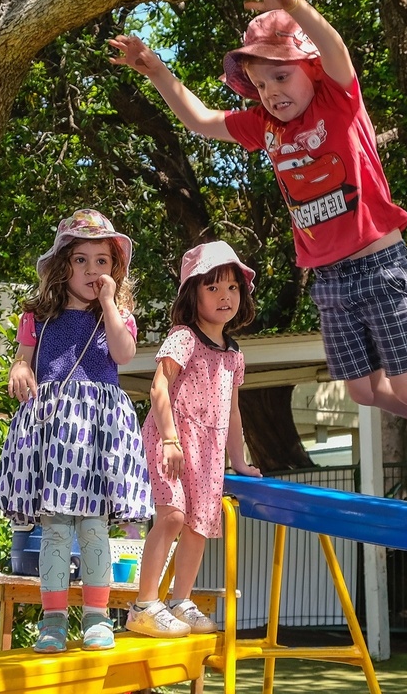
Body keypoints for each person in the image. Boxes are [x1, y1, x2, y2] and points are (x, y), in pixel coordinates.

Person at [108, 0, 407, 510]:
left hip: (378, 263)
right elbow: (200, 119)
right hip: (328, 274)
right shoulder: (266, 128)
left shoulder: (338, 100)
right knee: (364, 391)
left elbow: (336, 49)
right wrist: (155, 69)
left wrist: (293, 5)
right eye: (262, 84)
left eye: (282, 77)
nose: (272, 92)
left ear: (309, 71)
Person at [0, 208, 152, 653]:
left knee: (95, 527)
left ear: (115, 270)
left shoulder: (117, 315)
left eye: (102, 261)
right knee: (57, 528)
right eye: (81, 259)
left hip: (98, 431)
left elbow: (123, 355)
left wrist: (108, 305)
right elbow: (23, 358)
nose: (92, 270)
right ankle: (53, 619)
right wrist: (20, 368)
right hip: (55, 429)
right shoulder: (39, 314)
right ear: (64, 265)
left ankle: (98, 617)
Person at [127, 241, 263, 638]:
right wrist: (170, 439)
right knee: (172, 516)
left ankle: (180, 599)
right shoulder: (183, 337)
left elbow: (233, 413)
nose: (225, 297)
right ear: (193, 293)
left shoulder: (234, 355)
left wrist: (238, 462)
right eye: (213, 287)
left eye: (233, 288)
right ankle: (145, 604)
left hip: (208, 453)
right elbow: (158, 389)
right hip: (173, 440)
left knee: (201, 524)